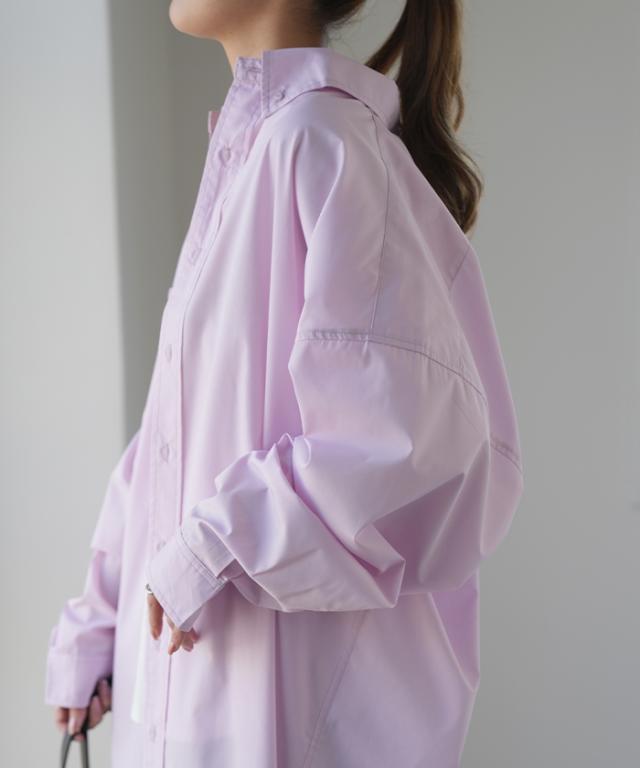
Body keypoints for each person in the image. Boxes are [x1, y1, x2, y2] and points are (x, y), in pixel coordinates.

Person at [45, 1, 524, 766]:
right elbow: (172, 438)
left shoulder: (319, 140)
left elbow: (405, 445)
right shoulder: (259, 150)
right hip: (196, 703)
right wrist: (97, 618)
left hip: (284, 720)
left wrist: (211, 546)